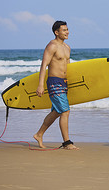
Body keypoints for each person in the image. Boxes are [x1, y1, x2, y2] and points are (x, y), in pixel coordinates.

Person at [33, 21, 79, 150]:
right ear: (56, 32)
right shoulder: (52, 46)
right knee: (65, 111)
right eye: (64, 30)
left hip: (63, 83)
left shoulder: (67, 47)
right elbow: (44, 65)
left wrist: (71, 83)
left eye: (67, 29)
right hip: (54, 82)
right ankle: (67, 143)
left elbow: (68, 67)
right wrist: (40, 85)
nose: (67, 32)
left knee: (57, 111)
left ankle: (39, 134)